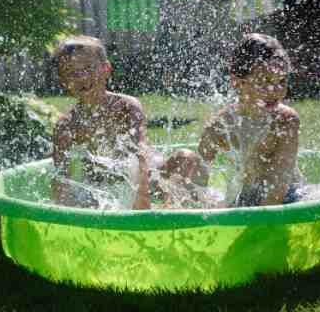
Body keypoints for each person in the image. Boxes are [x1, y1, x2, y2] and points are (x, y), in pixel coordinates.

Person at [51, 35, 206, 209]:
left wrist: (142, 207)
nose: (82, 77)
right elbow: (60, 180)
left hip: (152, 176)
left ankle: (183, 213)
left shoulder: (125, 107)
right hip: (105, 187)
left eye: (88, 68)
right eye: (72, 73)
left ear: (106, 69)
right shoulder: (66, 126)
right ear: (63, 81)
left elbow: (139, 155)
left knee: (188, 159)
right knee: (84, 200)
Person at [198, 33, 304, 207]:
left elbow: (278, 186)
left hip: (289, 198)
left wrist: (258, 224)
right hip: (245, 200)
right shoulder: (220, 125)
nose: (275, 90)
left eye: (282, 81)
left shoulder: (285, 120)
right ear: (237, 83)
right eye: (264, 81)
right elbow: (198, 179)